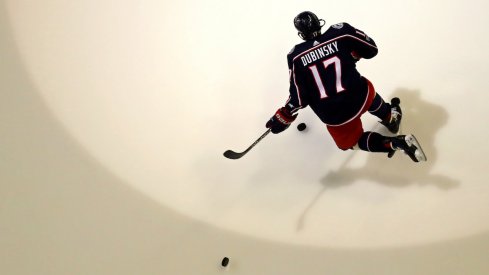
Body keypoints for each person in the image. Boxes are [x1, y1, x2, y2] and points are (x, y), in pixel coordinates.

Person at [266, 11, 426, 162]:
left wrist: (284, 114)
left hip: (335, 116)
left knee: (353, 143)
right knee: (364, 90)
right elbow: (372, 49)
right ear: (319, 23)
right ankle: (390, 117)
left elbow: (299, 98)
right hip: (360, 96)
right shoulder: (341, 31)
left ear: (301, 34)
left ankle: (394, 143)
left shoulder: (295, 56)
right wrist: (351, 55)